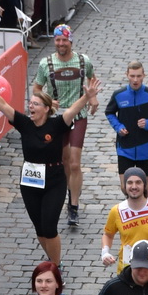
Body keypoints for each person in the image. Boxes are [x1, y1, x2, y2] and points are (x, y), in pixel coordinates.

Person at [0, 80, 99, 264]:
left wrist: (87, 96)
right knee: (39, 228)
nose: (31, 106)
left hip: (54, 181)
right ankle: (51, 259)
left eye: (36, 104)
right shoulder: (24, 123)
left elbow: (73, 110)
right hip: (30, 183)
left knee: (49, 227)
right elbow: (2, 105)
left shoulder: (57, 124)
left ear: (46, 109)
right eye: (30, 103)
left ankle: (56, 266)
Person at [33, 25, 98, 229]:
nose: (61, 44)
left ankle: (73, 205)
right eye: (58, 40)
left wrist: (92, 98)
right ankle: (68, 192)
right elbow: (36, 88)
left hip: (78, 115)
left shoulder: (83, 61)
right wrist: (47, 101)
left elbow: (92, 78)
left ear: (71, 42)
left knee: (75, 163)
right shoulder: (45, 63)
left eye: (64, 40)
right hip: (57, 119)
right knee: (64, 161)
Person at [105, 62, 148, 176]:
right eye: (132, 76)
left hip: (145, 149)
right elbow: (109, 112)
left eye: (139, 76)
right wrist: (118, 127)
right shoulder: (119, 95)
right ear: (127, 75)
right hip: (125, 149)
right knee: (125, 185)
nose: (135, 80)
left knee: (144, 186)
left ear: (144, 75)